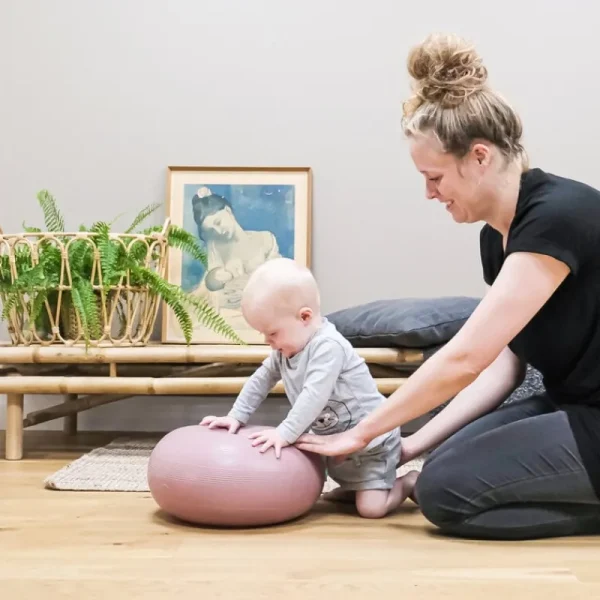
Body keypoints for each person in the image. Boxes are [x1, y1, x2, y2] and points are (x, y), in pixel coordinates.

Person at [295, 33, 600, 540]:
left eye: (434, 177)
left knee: (443, 493)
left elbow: (465, 358)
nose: (429, 193)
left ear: (479, 157)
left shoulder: (557, 217)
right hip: (576, 404)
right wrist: (410, 443)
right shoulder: (496, 238)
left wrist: (363, 433)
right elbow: (504, 364)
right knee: (438, 462)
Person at [200, 257, 415, 519]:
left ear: (304, 316)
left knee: (371, 510)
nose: (268, 342)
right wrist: (236, 416)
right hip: (337, 442)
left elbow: (314, 395)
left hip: (372, 443)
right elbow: (260, 380)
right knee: (341, 492)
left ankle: (409, 482)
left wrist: (285, 433)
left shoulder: (328, 347)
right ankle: (358, 488)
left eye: (272, 333)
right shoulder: (285, 350)